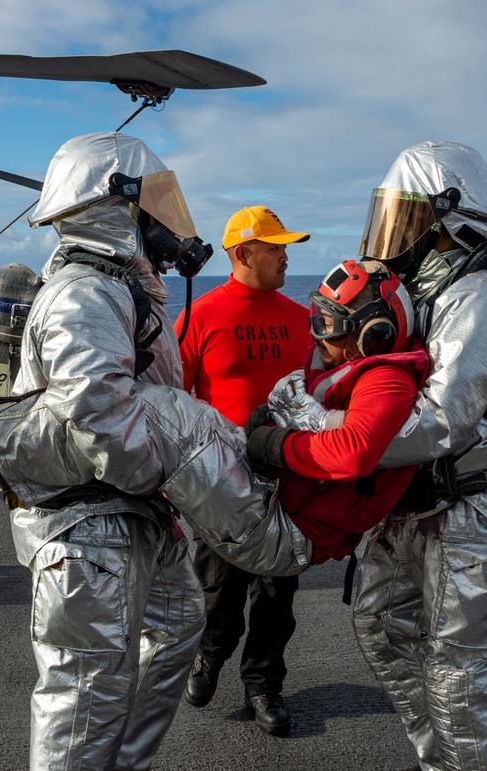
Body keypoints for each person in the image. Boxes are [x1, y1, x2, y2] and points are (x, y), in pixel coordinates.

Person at [0, 132, 311, 771]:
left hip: (132, 517)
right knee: (83, 696)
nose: (168, 217)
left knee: (176, 632)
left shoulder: (120, 286)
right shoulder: (87, 292)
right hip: (90, 526)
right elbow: (103, 423)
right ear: (116, 204)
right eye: (155, 200)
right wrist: (186, 471)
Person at [347, 140, 487, 771]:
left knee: (463, 677)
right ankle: (444, 762)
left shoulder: (478, 298)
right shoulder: (430, 295)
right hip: (423, 507)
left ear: (447, 220)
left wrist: (320, 437)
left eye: (406, 219)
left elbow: (439, 422)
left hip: (478, 514)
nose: (391, 237)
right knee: (380, 627)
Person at [174, 206, 312, 735]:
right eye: (274, 246)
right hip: (221, 481)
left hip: (288, 476)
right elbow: (173, 399)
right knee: (219, 588)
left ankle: (263, 686)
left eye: (284, 246)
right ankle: (208, 656)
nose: (284, 255)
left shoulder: (302, 318)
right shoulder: (200, 316)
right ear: (241, 254)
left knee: (279, 595)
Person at [252, 258, 430, 567]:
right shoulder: (343, 369)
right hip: (287, 505)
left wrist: (275, 445)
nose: (316, 334)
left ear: (373, 335)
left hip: (306, 529)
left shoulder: (386, 380)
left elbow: (352, 452)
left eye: (327, 324)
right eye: (316, 318)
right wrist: (271, 417)